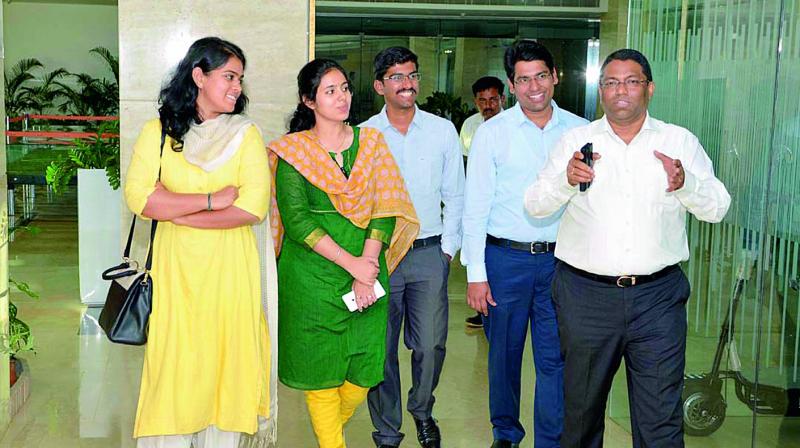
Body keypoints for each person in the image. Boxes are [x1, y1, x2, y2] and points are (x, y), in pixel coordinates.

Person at [525, 48, 731, 447]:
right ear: (601, 91)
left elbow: (718, 208)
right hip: (585, 297)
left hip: (657, 299)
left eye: (631, 81)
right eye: (612, 82)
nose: (621, 90)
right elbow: (535, 204)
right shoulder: (576, 141)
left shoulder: (678, 142)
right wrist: (566, 179)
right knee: (581, 414)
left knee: (660, 418)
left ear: (649, 89)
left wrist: (685, 183)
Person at [124, 37, 275, 448]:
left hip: (231, 273)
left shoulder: (245, 134)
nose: (237, 87)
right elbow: (139, 198)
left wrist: (173, 208)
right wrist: (208, 201)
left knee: (227, 363)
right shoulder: (157, 132)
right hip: (177, 274)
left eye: (240, 79)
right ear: (198, 76)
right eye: (228, 76)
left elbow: (251, 209)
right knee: (176, 363)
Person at [268, 58, 419, 448]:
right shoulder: (293, 153)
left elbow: (385, 209)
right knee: (320, 376)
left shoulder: (371, 144)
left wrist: (366, 266)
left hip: (368, 273)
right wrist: (352, 264)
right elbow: (297, 222)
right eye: (330, 91)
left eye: (345, 89)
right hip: (311, 279)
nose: (342, 97)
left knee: (364, 372)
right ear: (309, 101)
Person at [461, 39, 588, 448]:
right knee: (503, 357)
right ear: (511, 86)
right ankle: (506, 433)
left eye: (541, 77)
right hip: (505, 261)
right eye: (523, 80)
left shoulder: (578, 130)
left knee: (554, 360)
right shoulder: (492, 133)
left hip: (559, 263)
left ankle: (549, 441)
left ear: (555, 77)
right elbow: (474, 207)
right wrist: (476, 275)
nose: (534, 87)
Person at [362, 46, 465, 448]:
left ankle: (422, 410)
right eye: (396, 77)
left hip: (427, 253)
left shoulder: (442, 131)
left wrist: (447, 251)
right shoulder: (365, 135)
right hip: (381, 255)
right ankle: (387, 430)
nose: (407, 84)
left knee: (430, 344)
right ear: (379, 86)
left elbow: (455, 194)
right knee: (380, 349)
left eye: (412, 75)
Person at [460, 75, 506, 329]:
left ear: (502, 98)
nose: (488, 105)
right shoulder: (470, 126)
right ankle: (482, 309)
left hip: (504, 209)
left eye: (493, 100)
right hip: (480, 202)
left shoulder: (510, 126)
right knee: (480, 258)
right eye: (482, 101)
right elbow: (467, 165)